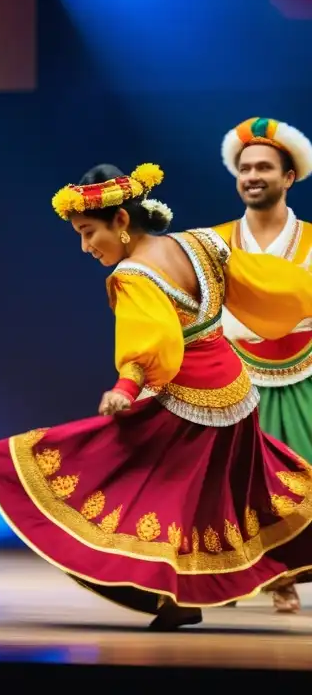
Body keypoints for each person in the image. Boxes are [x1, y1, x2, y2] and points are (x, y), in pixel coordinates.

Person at [0, 161, 312, 631]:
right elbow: (262, 282)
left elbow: (149, 340)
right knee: (206, 499)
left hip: (189, 399)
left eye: (88, 232)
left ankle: (176, 597)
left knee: (136, 481)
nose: (86, 246)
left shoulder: (134, 274)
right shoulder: (202, 242)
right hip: (236, 394)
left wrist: (125, 387)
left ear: (121, 221)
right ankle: (179, 600)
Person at [212, 117, 312, 613]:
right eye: (244, 167)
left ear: (288, 177)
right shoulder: (212, 243)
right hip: (231, 379)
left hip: (304, 377)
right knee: (227, 484)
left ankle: (286, 576)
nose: (252, 175)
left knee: (298, 481)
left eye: (264, 167)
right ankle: (225, 574)